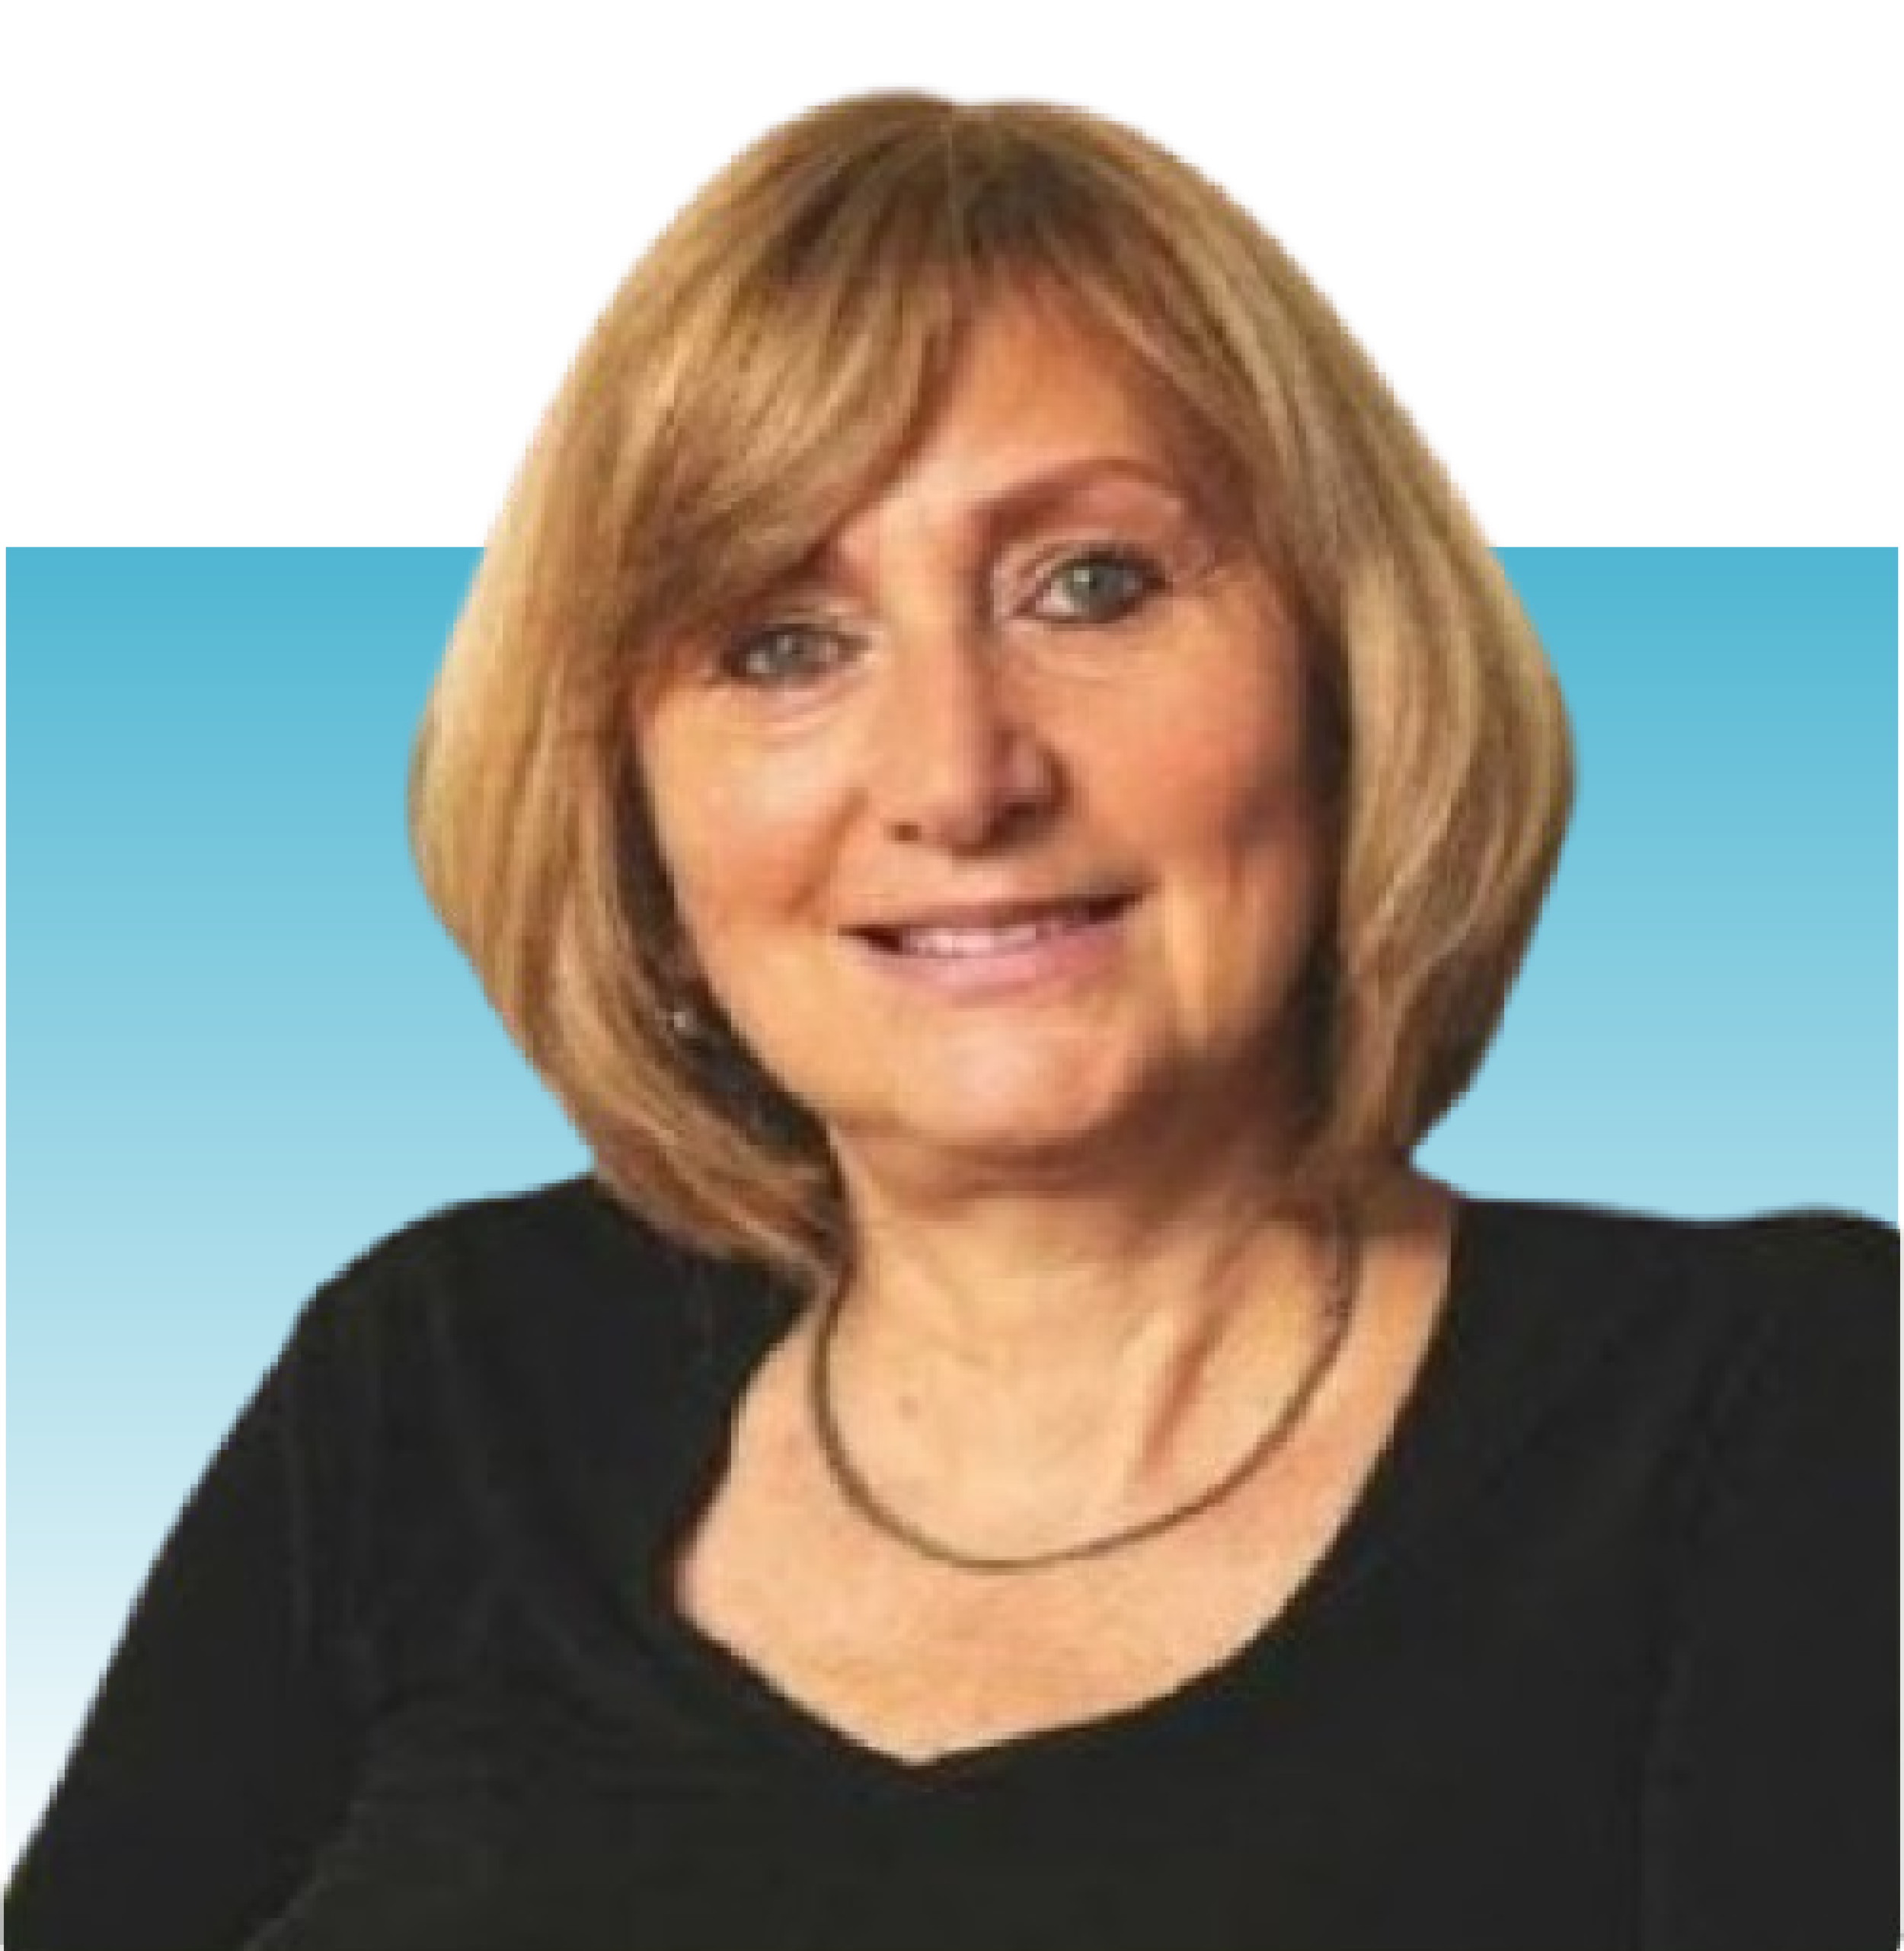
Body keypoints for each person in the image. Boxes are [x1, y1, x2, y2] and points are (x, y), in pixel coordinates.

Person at [5, 83, 1894, 1951]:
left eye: (1090, 585)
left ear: (1347, 671)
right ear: (627, 813)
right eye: (781, 643)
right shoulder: (442, 1385)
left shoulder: (1779, 1411)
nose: (957, 777)